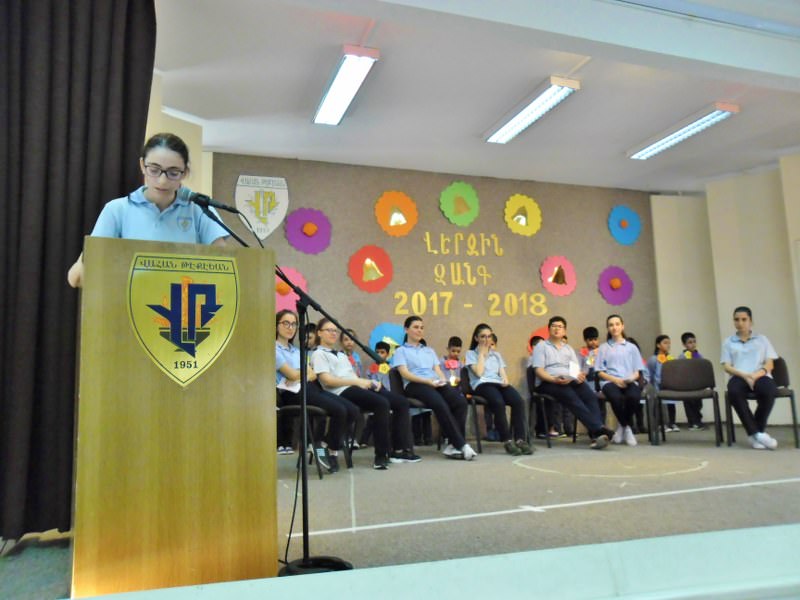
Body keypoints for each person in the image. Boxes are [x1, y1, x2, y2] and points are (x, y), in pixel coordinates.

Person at [67, 132, 228, 288]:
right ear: (142, 166)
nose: (162, 181)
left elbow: (224, 269)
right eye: (154, 170)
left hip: (183, 302)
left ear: (184, 172)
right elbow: (77, 278)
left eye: (173, 173)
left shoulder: (200, 210)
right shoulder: (117, 210)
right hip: (129, 301)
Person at [311, 318, 420, 469]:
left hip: (355, 386)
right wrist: (358, 382)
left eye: (335, 330)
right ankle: (381, 455)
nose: (333, 333)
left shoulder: (341, 355)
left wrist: (369, 382)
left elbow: (352, 376)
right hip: (340, 391)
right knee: (381, 403)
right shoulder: (318, 354)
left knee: (401, 402)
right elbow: (327, 381)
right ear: (319, 333)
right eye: (329, 330)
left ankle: (399, 450)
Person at [275, 310, 358, 472]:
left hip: (310, 388)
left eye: (293, 324)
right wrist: (301, 374)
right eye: (285, 323)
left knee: (352, 410)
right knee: (339, 410)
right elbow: (291, 375)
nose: (290, 327)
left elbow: (312, 375)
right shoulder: (274, 349)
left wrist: (300, 375)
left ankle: (323, 444)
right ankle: (330, 452)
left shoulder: (296, 350)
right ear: (276, 326)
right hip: (291, 394)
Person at [393, 316, 477, 460]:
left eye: (421, 327)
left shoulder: (429, 351)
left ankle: (453, 445)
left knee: (460, 401)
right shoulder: (401, 351)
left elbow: (438, 371)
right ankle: (461, 444)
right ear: (406, 329)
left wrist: (443, 381)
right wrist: (427, 381)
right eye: (415, 327)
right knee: (439, 402)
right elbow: (405, 373)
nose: (419, 330)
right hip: (414, 384)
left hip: (434, 382)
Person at [531, 316, 613, 450]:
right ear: (549, 329)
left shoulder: (568, 348)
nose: (557, 329)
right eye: (554, 326)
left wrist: (577, 376)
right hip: (548, 381)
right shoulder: (541, 346)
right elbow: (538, 370)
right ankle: (599, 430)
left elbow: (575, 369)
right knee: (570, 395)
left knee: (589, 395)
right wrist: (554, 379)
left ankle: (596, 435)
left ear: (564, 331)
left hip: (568, 379)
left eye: (560, 327)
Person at [465, 324, 532, 455]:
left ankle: (520, 440)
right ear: (476, 338)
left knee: (518, 401)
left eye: (489, 336)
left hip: (497, 383)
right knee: (498, 402)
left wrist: (505, 381)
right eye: (483, 336)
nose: (486, 340)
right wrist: (482, 355)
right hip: (482, 384)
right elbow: (479, 373)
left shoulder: (496, 355)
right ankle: (507, 440)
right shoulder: (471, 354)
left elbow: (503, 374)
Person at [721, 306, 779, 450]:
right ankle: (757, 434)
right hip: (739, 375)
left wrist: (755, 375)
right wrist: (745, 376)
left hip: (760, 375)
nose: (740, 323)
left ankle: (756, 432)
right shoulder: (728, 342)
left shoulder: (762, 339)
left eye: (744, 319)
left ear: (751, 321)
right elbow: (726, 366)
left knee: (769, 391)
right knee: (734, 392)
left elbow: (770, 363)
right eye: (736, 320)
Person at [596, 314, 646, 447]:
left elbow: (637, 372)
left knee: (634, 396)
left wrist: (630, 379)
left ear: (622, 326)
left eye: (617, 324)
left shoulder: (632, 347)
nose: (614, 327)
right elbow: (600, 372)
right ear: (608, 328)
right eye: (611, 325)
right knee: (615, 397)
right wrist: (616, 380)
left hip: (629, 381)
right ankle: (627, 428)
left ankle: (622, 426)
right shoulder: (603, 348)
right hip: (609, 381)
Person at [646, 335, 679, 432]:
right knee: (658, 404)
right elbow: (650, 372)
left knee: (671, 404)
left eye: (669, 343)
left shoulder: (670, 358)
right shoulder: (653, 359)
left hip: (670, 385)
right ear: (658, 345)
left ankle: (672, 423)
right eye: (665, 343)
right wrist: (655, 382)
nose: (668, 345)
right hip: (658, 386)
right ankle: (660, 424)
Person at [678, 331, 706, 430]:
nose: (693, 344)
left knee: (698, 403)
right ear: (684, 344)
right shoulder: (682, 356)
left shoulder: (698, 355)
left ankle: (698, 421)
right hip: (687, 385)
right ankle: (692, 422)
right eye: (690, 342)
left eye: (694, 341)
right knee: (689, 403)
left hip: (698, 384)